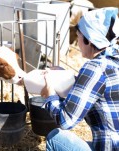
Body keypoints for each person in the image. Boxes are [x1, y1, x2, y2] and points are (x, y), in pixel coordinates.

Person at [41, 7, 119, 151]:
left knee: (55, 137)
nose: (77, 41)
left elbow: (65, 121)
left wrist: (49, 95)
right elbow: (97, 86)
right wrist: (67, 76)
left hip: (110, 147)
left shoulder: (95, 67)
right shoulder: (114, 60)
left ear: (89, 40)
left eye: (78, 36)